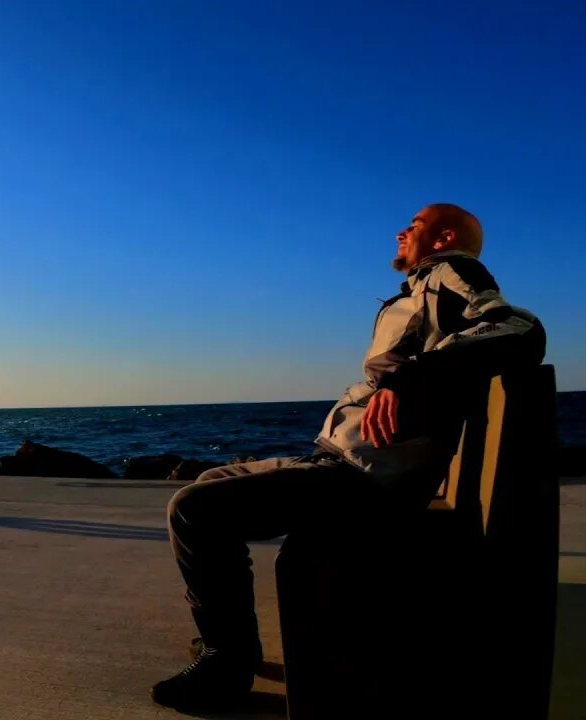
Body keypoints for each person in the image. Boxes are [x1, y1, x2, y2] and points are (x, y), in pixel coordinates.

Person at [151, 203, 546, 712]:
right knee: (211, 480)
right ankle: (230, 645)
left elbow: (517, 326)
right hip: (344, 464)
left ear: (444, 237)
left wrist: (412, 378)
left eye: (416, 224)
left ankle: (227, 666)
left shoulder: (452, 271)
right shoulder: (419, 291)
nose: (402, 231)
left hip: (369, 481)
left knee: (193, 509)